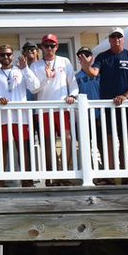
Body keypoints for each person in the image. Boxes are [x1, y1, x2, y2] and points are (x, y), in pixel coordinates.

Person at [83, 28, 128, 177]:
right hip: (107, 106)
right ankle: (110, 175)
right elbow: (94, 73)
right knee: (108, 138)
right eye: (113, 37)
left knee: (124, 139)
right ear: (109, 39)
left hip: (125, 106)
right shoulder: (103, 57)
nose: (116, 40)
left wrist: (125, 96)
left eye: (119, 37)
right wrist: (86, 66)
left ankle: (125, 174)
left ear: (123, 39)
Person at [0, 45, 41, 180]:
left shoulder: (21, 71)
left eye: (8, 54)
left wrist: (25, 68)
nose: (6, 57)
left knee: (23, 149)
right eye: (2, 55)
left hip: (22, 117)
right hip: (2, 117)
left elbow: (35, 87)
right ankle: (0, 181)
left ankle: (26, 180)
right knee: (1, 150)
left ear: (13, 56)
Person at [29, 34, 78, 179]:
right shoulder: (35, 65)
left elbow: (73, 83)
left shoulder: (65, 61)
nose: (49, 49)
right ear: (41, 48)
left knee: (68, 138)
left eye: (52, 46)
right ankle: (54, 175)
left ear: (56, 47)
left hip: (62, 107)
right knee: (48, 142)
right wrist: (46, 77)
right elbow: (34, 89)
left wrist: (73, 95)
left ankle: (65, 171)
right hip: (44, 109)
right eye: (46, 46)